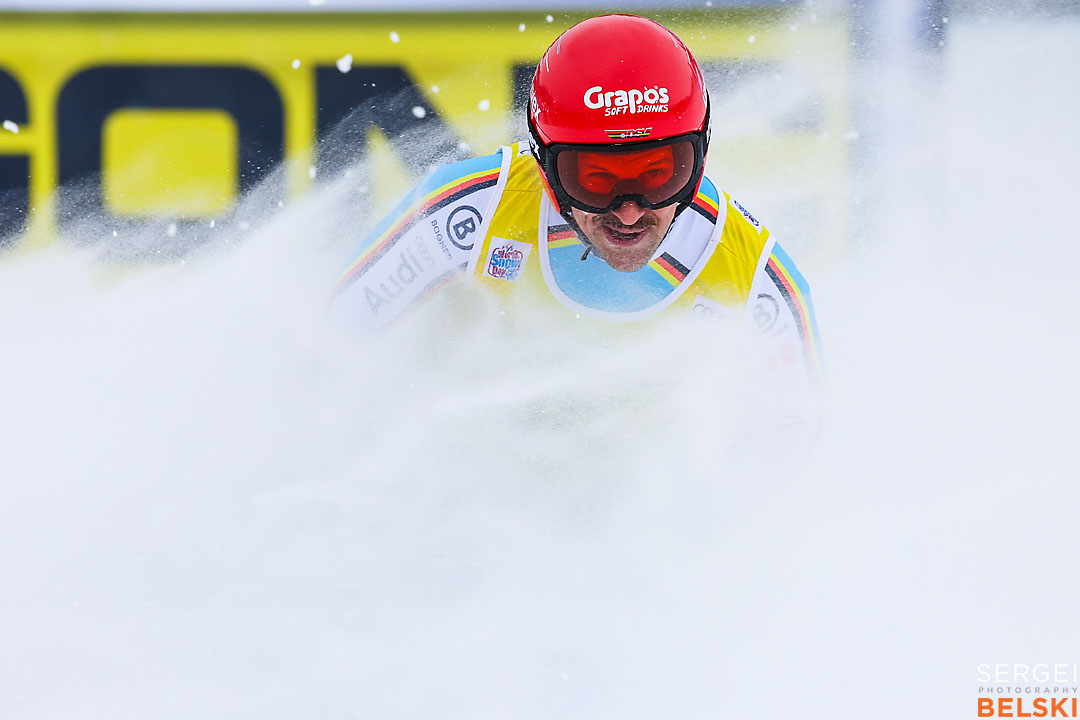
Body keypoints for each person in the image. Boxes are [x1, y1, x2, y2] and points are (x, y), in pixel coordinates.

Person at [330, 14, 821, 384]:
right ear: (544, 167)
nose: (629, 210)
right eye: (596, 178)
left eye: (658, 175)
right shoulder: (468, 212)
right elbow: (332, 340)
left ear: (699, 160)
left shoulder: (751, 274)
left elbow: (788, 449)